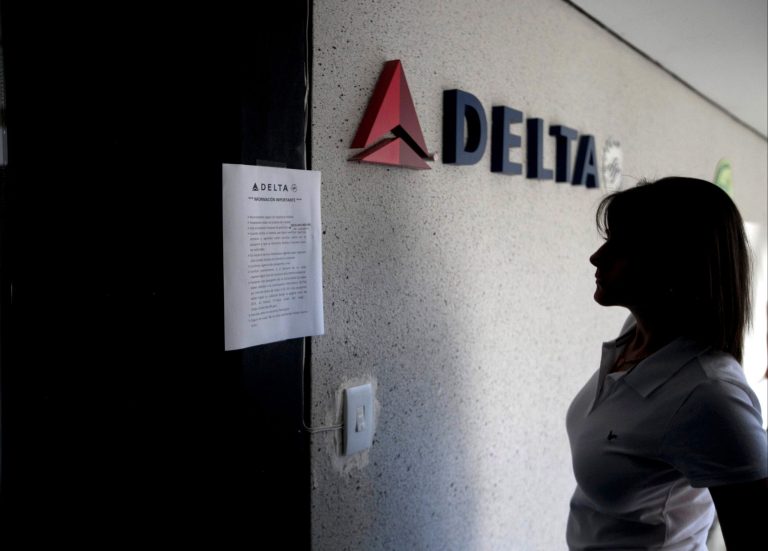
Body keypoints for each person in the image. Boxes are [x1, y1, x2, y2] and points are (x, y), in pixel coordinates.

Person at [566, 177, 768, 550]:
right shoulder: (638, 336)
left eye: (620, 247)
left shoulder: (711, 396)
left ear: (673, 265)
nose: (597, 257)